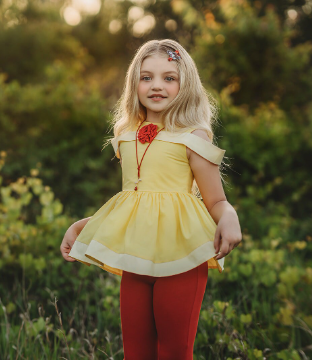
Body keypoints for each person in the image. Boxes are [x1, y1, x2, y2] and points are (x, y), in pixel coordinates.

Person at [59, 39, 242, 359]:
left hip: (181, 257)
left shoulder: (193, 137)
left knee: (174, 351)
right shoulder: (126, 137)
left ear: (185, 85)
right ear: (134, 84)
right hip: (137, 259)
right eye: (147, 77)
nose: (157, 85)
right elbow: (133, 201)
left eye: (169, 78)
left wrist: (229, 216)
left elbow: (215, 201)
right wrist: (82, 227)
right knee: (136, 352)